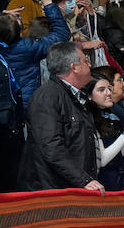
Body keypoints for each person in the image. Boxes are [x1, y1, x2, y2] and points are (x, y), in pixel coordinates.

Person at [16, 42, 102, 191]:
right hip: (51, 190)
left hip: (70, 184)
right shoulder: (47, 98)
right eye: (85, 60)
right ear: (73, 67)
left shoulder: (71, 95)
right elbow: (51, 146)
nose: (89, 65)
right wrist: (83, 179)